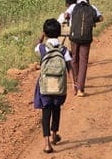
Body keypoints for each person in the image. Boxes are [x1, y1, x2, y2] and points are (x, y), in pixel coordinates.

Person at [33, 18, 72, 154]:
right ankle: (55, 135)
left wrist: (41, 37)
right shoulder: (64, 50)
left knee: (46, 112)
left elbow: (37, 46)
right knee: (56, 110)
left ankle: (47, 144)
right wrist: (74, 84)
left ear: (45, 33)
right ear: (59, 33)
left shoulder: (42, 48)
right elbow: (69, 67)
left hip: (45, 86)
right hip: (59, 86)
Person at [61, 0, 103, 97]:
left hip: (74, 37)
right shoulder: (92, 7)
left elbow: (65, 15)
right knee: (83, 61)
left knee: (74, 59)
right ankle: (80, 89)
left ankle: (75, 84)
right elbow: (101, 18)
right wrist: (93, 20)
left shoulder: (73, 7)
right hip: (86, 37)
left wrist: (70, 18)